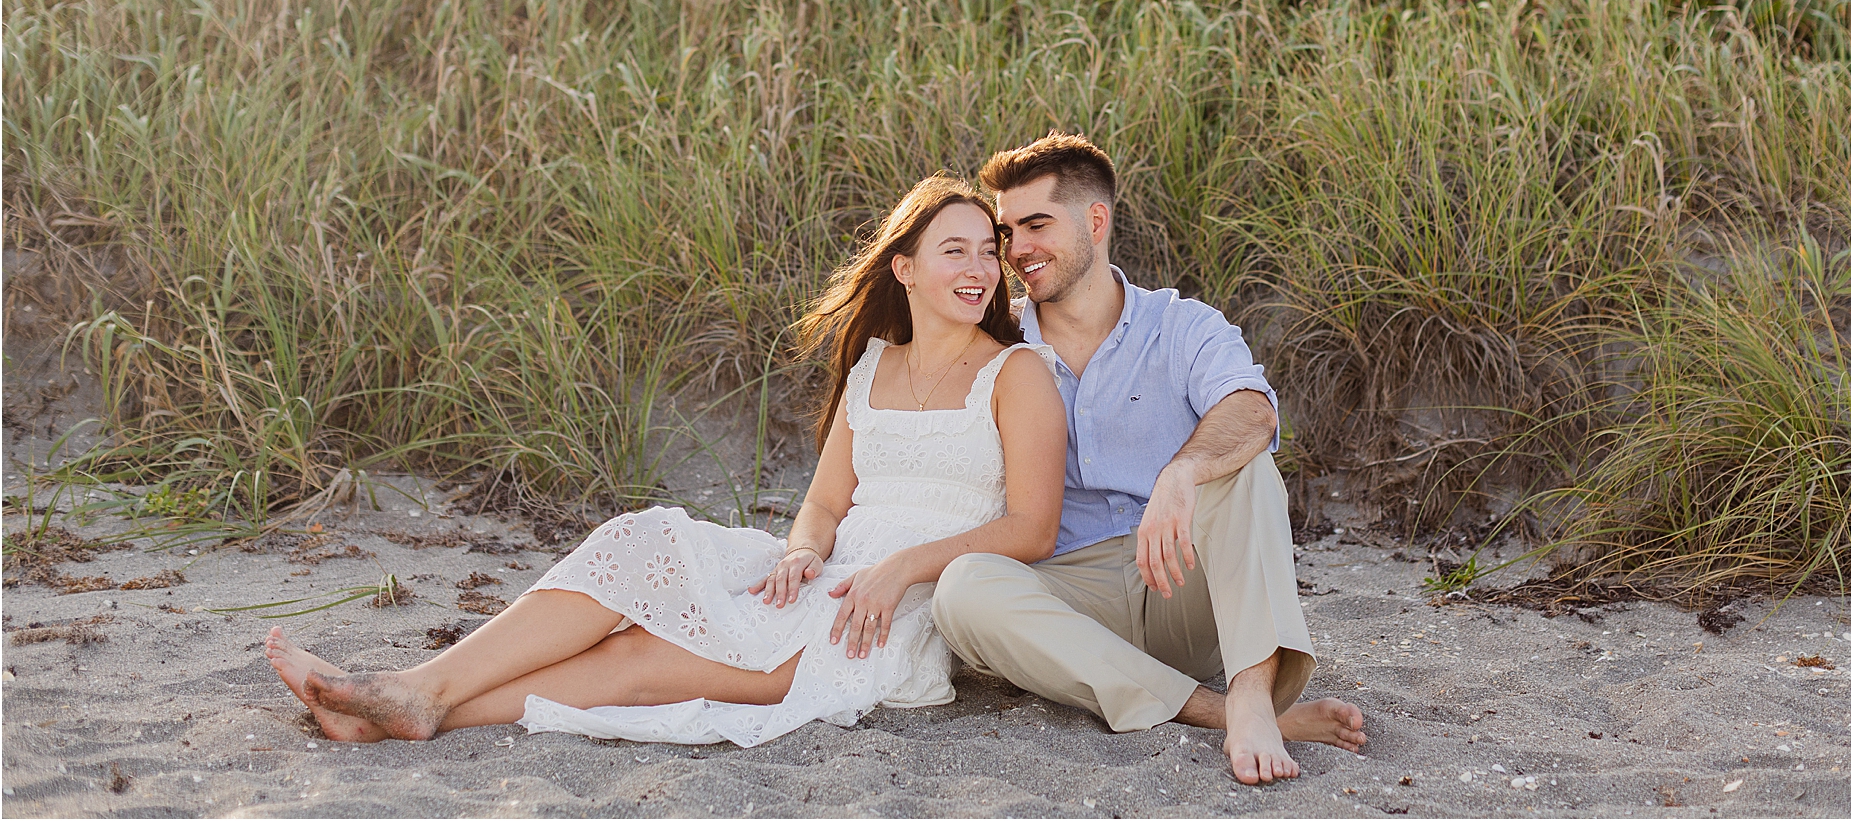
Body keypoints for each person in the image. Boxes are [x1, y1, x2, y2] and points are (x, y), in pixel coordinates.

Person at [264, 175, 1067, 747]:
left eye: (986, 252)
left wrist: (901, 570)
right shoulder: (873, 366)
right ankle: (416, 691)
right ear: (905, 268)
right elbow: (823, 505)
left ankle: (407, 704)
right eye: (953, 250)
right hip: (832, 574)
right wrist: (799, 551)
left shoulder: (1016, 371)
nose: (978, 269)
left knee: (641, 660)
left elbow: (1032, 527)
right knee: (637, 539)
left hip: (901, 610)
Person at [931, 134, 1368, 785]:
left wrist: (1181, 471)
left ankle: (1253, 692)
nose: (1016, 248)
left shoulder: (1181, 325)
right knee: (962, 588)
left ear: (1096, 221)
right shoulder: (997, 342)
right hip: (1069, 604)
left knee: (1246, 465)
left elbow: (1253, 410)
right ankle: (1220, 711)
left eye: (1037, 224)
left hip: (1179, 583)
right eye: (1007, 230)